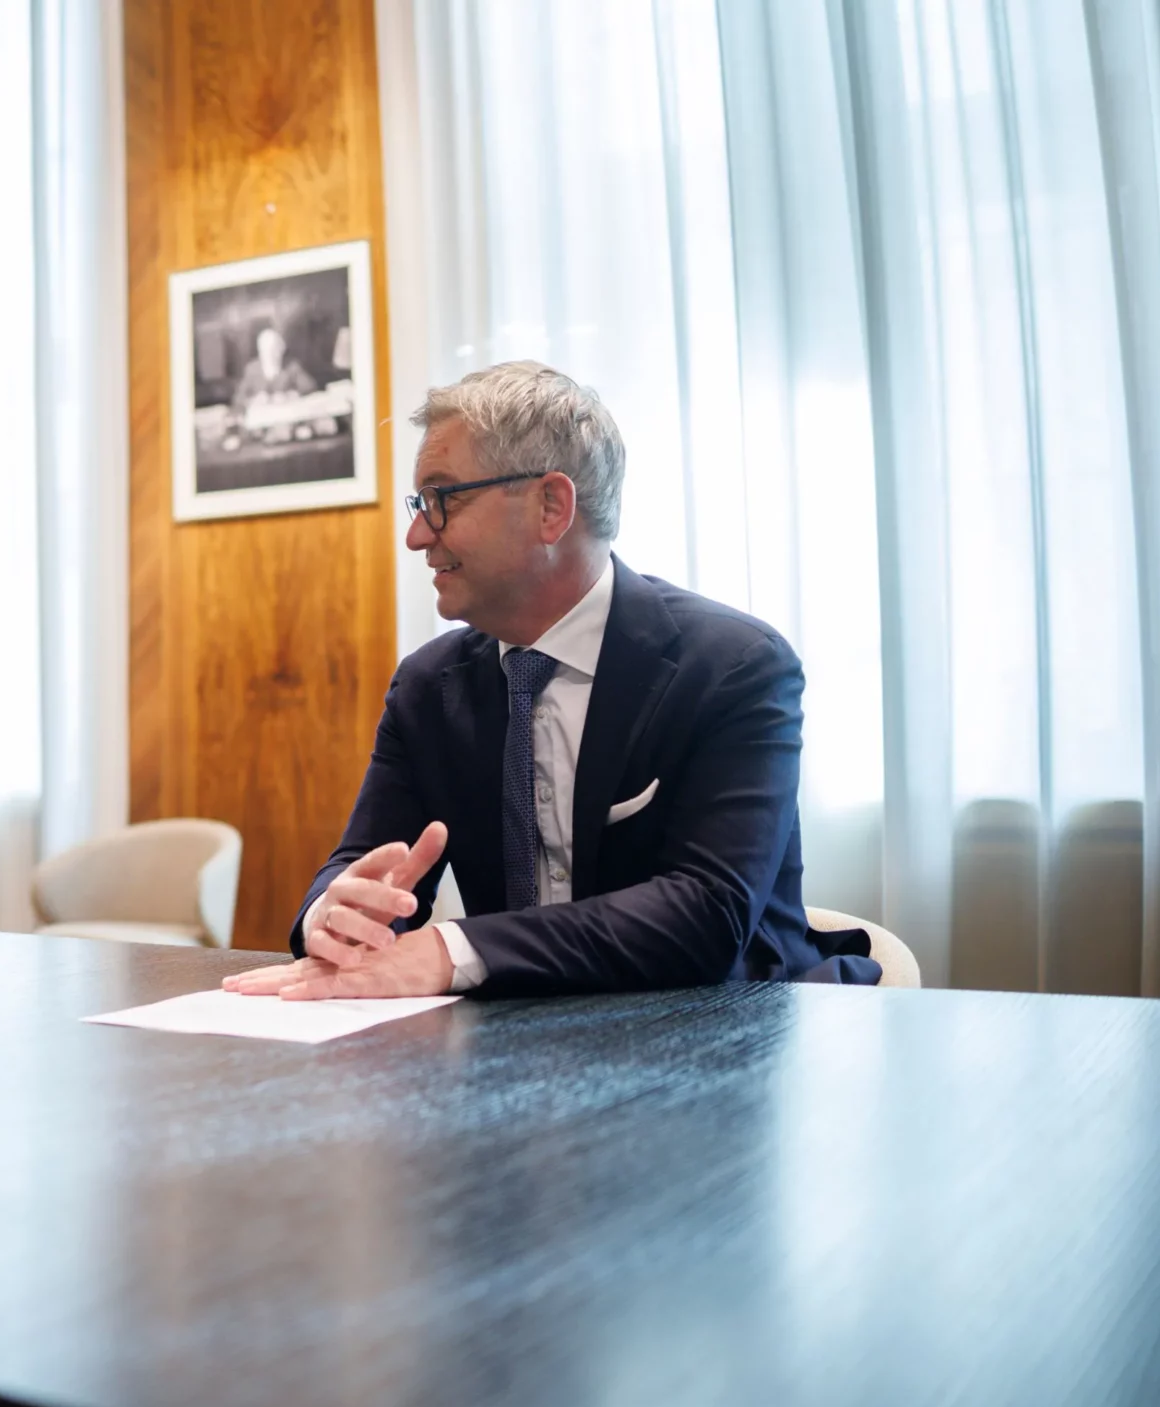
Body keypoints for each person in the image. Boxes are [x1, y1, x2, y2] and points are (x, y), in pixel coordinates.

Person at [228, 360, 878, 1002]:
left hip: (731, 1037)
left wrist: (453, 949)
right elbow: (370, 863)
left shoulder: (733, 667)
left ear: (551, 506)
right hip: (519, 1051)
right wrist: (333, 916)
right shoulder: (429, 687)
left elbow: (707, 915)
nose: (417, 534)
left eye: (442, 499)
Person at [228, 324, 320, 417]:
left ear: (281, 350)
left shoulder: (291, 366)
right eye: (265, 351)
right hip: (261, 420)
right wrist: (254, 400)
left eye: (274, 350)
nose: (270, 355)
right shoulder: (252, 369)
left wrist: (290, 395)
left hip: (287, 416)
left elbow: (311, 388)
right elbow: (238, 399)